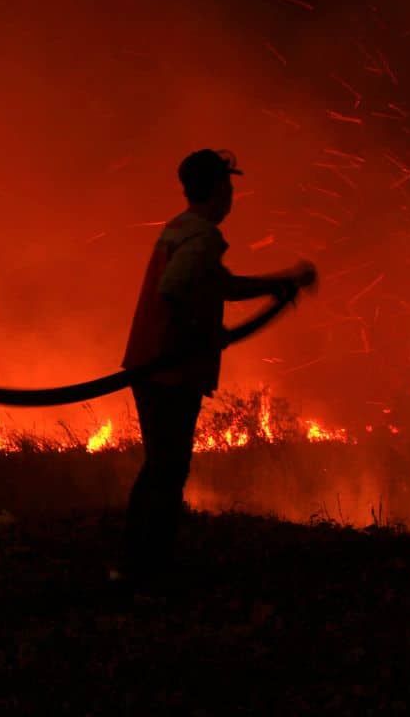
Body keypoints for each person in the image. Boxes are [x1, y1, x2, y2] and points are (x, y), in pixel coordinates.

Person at [119, 148, 318, 588]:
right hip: (169, 369)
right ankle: (149, 569)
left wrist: (277, 283)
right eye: (228, 187)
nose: (232, 197)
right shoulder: (202, 237)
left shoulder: (182, 229)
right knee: (168, 470)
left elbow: (220, 286)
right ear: (215, 190)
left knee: (160, 466)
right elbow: (173, 290)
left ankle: (137, 561)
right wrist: (198, 335)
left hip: (154, 366)